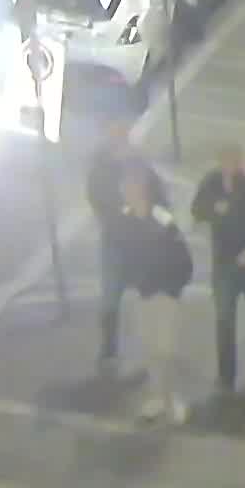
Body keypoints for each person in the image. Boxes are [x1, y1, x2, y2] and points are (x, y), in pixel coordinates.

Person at [106, 174, 193, 420]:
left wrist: (174, 287)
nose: (128, 195)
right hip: (142, 293)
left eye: (132, 189)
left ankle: (170, 398)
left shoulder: (161, 218)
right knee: (150, 348)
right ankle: (158, 398)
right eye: (125, 190)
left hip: (165, 293)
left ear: (142, 190)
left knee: (165, 349)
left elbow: (181, 255)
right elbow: (120, 254)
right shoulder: (123, 220)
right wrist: (131, 281)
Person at [194, 143, 245, 392]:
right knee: (224, 319)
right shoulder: (210, 183)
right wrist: (212, 209)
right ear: (220, 162)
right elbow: (197, 209)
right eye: (226, 161)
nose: (230, 165)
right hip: (224, 265)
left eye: (234, 160)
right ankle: (226, 374)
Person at [86, 125, 163, 370]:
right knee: (111, 297)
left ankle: (149, 349)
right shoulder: (102, 170)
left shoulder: (138, 166)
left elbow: (159, 197)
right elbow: (99, 199)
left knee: (146, 297)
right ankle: (109, 349)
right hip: (117, 241)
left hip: (138, 242)